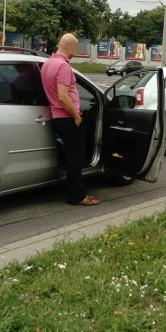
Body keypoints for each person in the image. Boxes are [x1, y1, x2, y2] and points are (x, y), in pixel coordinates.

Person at [40, 33, 100, 206]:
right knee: (76, 159)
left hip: (57, 117)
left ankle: (74, 192)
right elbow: (63, 97)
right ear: (68, 46)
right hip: (67, 117)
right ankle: (77, 196)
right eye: (75, 47)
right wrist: (77, 116)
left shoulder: (48, 64)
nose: (76, 51)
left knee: (70, 156)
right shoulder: (63, 67)